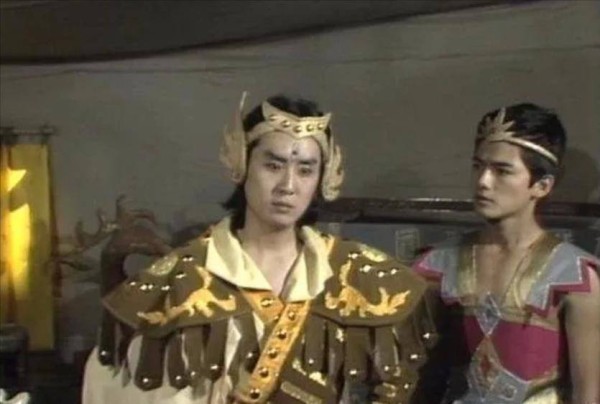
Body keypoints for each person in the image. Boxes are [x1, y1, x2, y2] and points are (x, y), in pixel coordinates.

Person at [82, 93, 437, 403]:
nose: (288, 185)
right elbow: (115, 387)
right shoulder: (182, 277)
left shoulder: (359, 273)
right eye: (273, 165)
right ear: (241, 164)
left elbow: (397, 385)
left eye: (305, 170)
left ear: (323, 178)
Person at [414, 103, 600, 403]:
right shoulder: (437, 266)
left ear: (541, 185)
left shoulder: (574, 277)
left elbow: (588, 396)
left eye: (502, 171)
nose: (483, 182)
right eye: (478, 166)